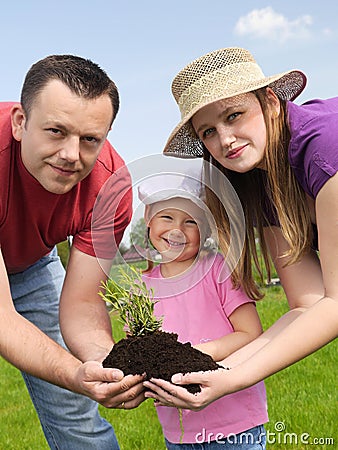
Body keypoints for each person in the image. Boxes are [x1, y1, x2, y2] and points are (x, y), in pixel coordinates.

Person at [143, 47, 338, 412]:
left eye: (235, 115)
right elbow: (307, 303)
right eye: (209, 132)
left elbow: (336, 303)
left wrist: (235, 379)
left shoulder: (325, 147)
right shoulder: (259, 182)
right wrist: (216, 370)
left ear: (270, 101)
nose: (225, 140)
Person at [0, 54, 144, 450]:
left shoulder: (110, 187)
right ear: (19, 123)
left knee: (75, 414)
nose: (71, 155)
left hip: (31, 263)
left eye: (89, 139)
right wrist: (71, 372)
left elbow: (82, 305)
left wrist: (102, 364)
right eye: (55, 131)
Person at [138, 170, 268, 449]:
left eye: (190, 222)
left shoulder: (218, 269)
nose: (176, 230)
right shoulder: (141, 288)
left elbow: (251, 333)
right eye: (167, 217)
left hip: (235, 425)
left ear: (205, 228)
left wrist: (199, 354)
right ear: (148, 218)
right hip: (179, 430)